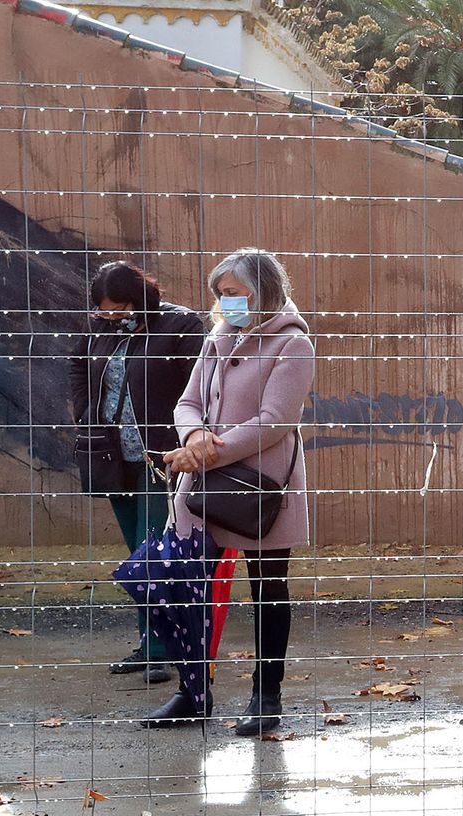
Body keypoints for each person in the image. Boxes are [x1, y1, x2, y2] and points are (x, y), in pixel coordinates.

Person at [150, 248, 315, 736]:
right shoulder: (219, 337)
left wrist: (204, 452)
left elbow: (273, 422)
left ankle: (267, 697)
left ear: (263, 291)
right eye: (221, 295)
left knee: (267, 589)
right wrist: (193, 437)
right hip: (201, 485)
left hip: (259, 488)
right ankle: (192, 692)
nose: (227, 303)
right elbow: (188, 402)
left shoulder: (293, 345)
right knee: (187, 588)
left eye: (235, 294)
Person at [68, 261, 203, 684]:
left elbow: (199, 385)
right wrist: (85, 412)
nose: (110, 316)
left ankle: (165, 648)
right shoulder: (100, 330)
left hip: (162, 459)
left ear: (140, 299)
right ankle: (150, 645)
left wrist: (188, 438)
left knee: (154, 554)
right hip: (111, 456)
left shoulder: (179, 326)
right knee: (136, 554)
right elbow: (77, 365)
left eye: (119, 308)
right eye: (103, 310)